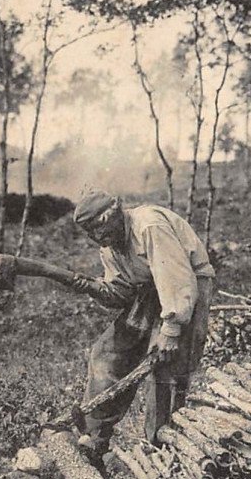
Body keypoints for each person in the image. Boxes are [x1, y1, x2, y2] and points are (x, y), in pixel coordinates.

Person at [71, 190, 215, 464]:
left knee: (167, 369)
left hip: (186, 287)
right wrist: (90, 287)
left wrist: (171, 330)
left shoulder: (149, 225)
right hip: (148, 291)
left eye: (100, 228)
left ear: (115, 215)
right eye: (91, 233)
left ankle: (163, 450)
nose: (98, 238)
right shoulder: (109, 246)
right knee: (107, 354)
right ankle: (95, 439)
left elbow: (176, 278)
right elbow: (121, 293)